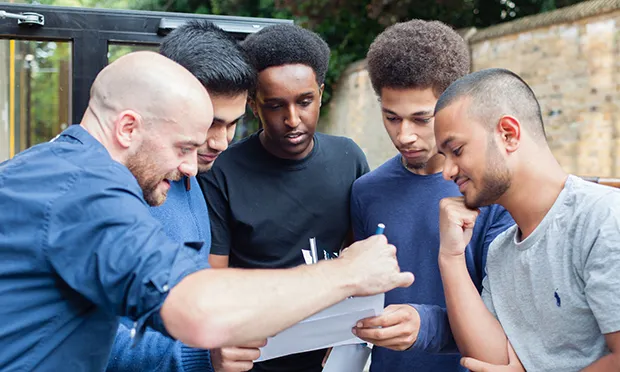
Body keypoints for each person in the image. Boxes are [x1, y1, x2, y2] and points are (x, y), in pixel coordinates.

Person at [0, 50, 414, 371]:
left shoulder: (46, 170)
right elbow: (198, 310)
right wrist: (347, 273)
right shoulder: (83, 192)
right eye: (182, 147)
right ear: (128, 128)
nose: (187, 166)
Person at [200, 23, 370, 372]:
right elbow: (212, 283)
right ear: (254, 105)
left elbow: (362, 258)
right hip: (254, 358)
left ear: (321, 93)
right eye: (275, 105)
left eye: (305, 101)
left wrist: (346, 338)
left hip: (334, 356)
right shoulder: (222, 172)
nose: (292, 120)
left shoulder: (349, 158)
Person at [348, 20, 514, 372]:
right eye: (391, 117)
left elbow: (509, 321)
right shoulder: (366, 191)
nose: (404, 135)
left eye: (421, 119)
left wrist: (424, 326)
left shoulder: (494, 194)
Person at [434, 68, 620, 372]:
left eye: (456, 151)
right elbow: (489, 361)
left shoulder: (602, 218)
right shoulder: (500, 251)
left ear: (508, 134)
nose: (448, 171)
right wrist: (450, 257)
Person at [106, 20, 257, 372]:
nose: (221, 142)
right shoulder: (111, 191)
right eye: (211, 124)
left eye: (233, 124)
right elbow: (86, 336)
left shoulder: (192, 178)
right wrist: (201, 350)